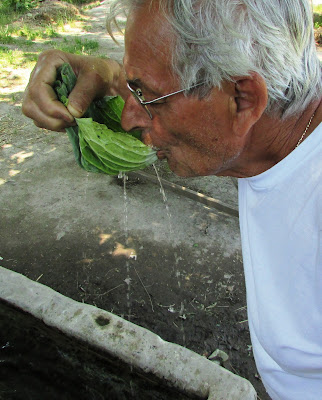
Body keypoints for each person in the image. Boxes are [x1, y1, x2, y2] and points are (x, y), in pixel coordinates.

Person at [22, 0, 322, 399]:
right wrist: (100, 72)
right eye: (133, 88)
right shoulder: (283, 121)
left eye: (146, 96)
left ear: (243, 100)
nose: (129, 118)